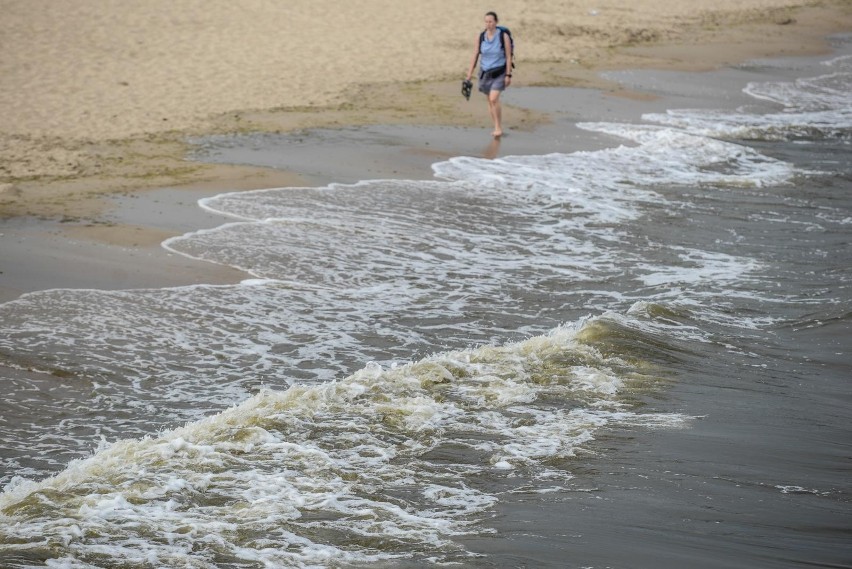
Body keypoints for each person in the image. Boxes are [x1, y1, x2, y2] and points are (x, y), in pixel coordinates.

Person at [465, 11, 513, 138]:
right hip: (485, 73)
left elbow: (508, 56)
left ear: (496, 22)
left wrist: (508, 75)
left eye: (490, 21)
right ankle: (495, 126)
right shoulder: (481, 37)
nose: (488, 24)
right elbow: (475, 55)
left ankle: (498, 128)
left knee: (493, 99)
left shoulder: (503, 36)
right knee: (490, 102)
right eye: (486, 22)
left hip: (500, 72)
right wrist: (469, 74)